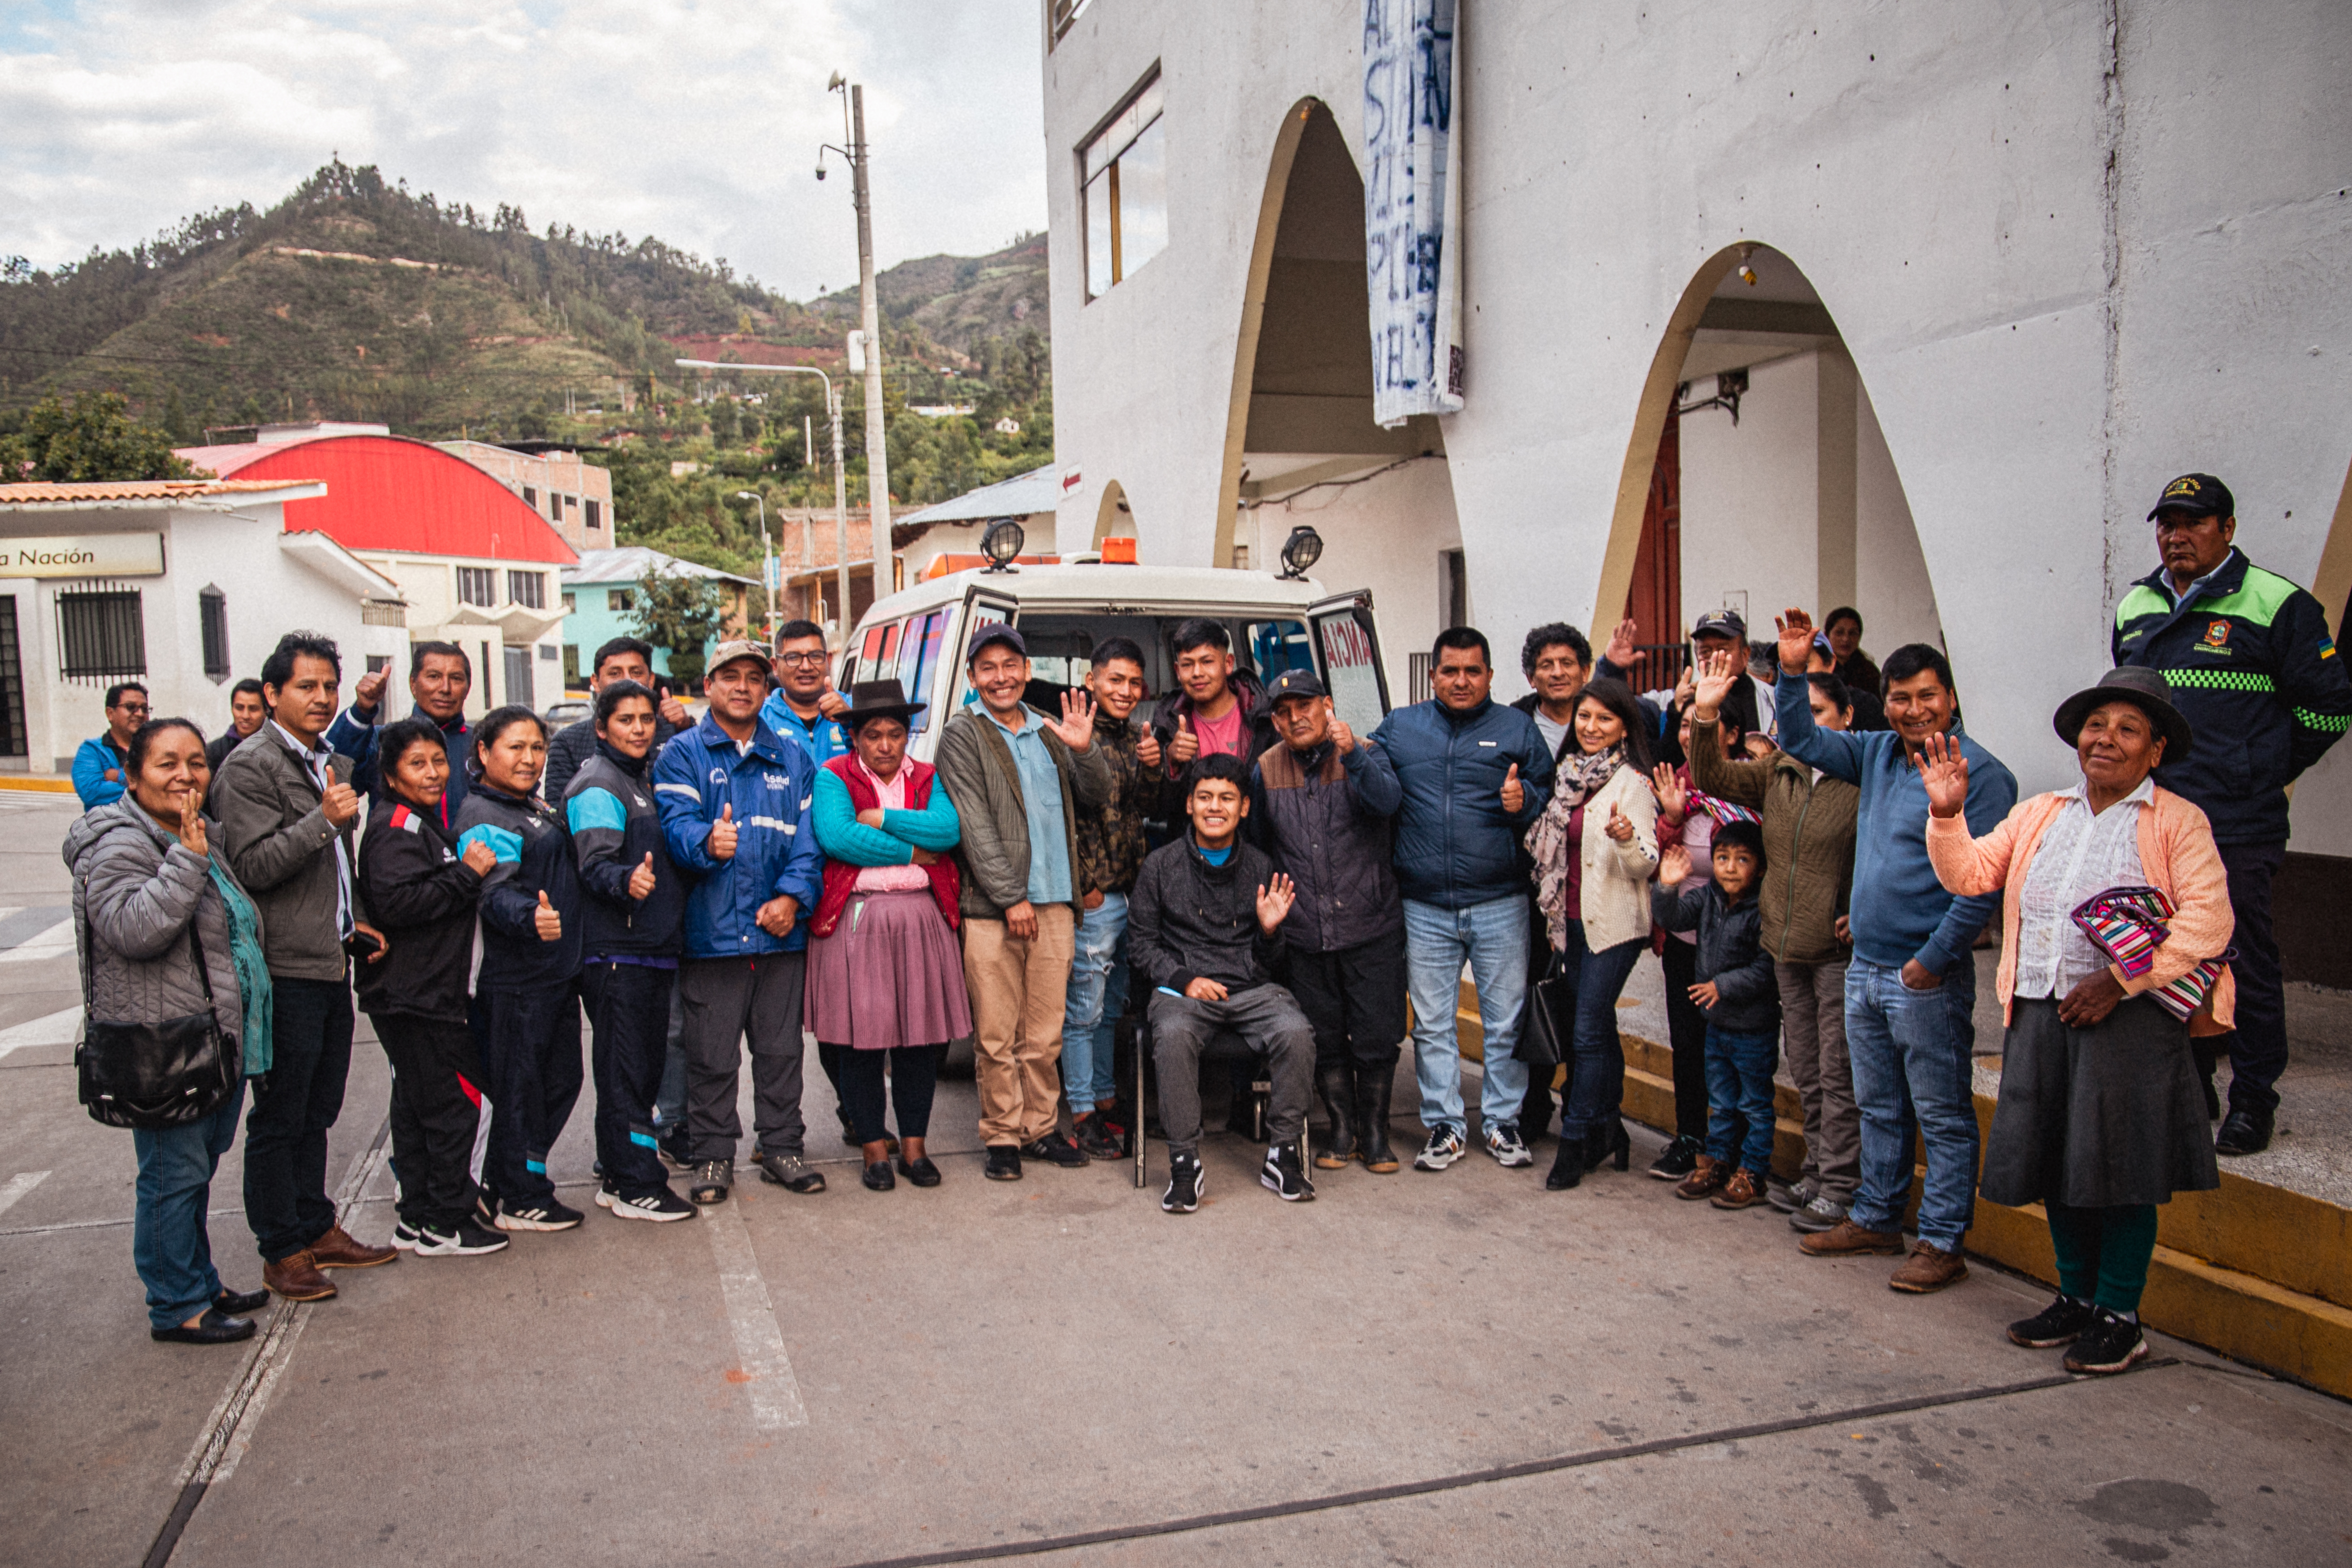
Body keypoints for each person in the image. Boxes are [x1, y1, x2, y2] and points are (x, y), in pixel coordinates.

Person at [1920, 667, 2228, 1374]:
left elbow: (2208, 922)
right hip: (2039, 1006)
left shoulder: (2177, 821)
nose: (2105, 739)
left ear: (2154, 751)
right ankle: (2075, 1297)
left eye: (2127, 729)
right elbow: (1969, 873)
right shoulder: (2040, 812)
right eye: (2096, 725)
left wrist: (2120, 980)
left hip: (2131, 1020)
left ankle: (2120, 1313)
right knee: (2057, 1155)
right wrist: (1945, 814)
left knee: (2120, 1165)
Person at [1773, 610, 2017, 1294]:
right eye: (1899, 697)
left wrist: (1932, 959)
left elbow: (1980, 883)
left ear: (1951, 697)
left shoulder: (1982, 774)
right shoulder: (1877, 752)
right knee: (1876, 1102)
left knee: (1939, 1112)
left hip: (1924, 974)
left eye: (1925, 696)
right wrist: (1794, 671)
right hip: (1864, 966)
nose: (1912, 710)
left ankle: (1941, 1241)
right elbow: (1796, 736)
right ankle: (1876, 1216)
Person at [2110, 472, 2352, 1155]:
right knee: (2166, 952)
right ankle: (2191, 1083)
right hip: (2154, 818)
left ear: (2226, 528)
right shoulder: (2136, 603)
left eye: (2191, 522)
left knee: (2239, 955)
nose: (2174, 535)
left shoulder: (2276, 603)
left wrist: (2262, 765)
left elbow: (2328, 707)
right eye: (2165, 523)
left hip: (2236, 820)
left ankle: (2251, 1098)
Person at [66, 717, 273, 1343]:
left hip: (209, 1040)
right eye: (165, 764)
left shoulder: (191, 830)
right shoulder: (121, 845)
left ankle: (198, 1278)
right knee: (169, 1177)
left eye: (195, 762)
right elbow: (133, 929)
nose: (185, 774)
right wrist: (186, 859)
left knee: (194, 1172)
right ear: (131, 775)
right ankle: (175, 1303)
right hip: (164, 1045)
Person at [213, 632, 397, 1302]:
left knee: (318, 1108)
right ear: (271, 694)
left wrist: (352, 923)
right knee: (282, 1115)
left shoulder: (327, 759)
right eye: (305, 687)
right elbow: (255, 866)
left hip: (326, 960)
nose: (320, 698)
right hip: (282, 968)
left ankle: (315, 1225)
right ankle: (280, 1248)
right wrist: (322, 820)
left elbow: (327, 872)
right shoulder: (250, 767)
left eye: (328, 686)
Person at [1686, 651, 1863, 1234]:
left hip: (1837, 950)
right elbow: (1713, 776)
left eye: (1817, 712)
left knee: (1837, 1073)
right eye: (1796, 714)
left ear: (1845, 715)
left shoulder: (1863, 775)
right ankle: (1814, 1169)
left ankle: (1839, 1184)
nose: (1804, 725)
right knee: (1807, 1069)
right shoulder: (1779, 769)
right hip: (1784, 944)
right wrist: (1706, 715)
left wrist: (1859, 908)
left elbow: (1888, 848)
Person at [1372, 627, 1555, 1173]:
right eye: (1449, 671)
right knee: (1431, 1023)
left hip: (1500, 900)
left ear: (1490, 676)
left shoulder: (1516, 728)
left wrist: (1525, 800)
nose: (1460, 681)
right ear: (1432, 676)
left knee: (1504, 1021)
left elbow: (1547, 794)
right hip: (1423, 904)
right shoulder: (1401, 728)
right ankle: (1445, 1126)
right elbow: (1370, 784)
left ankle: (1501, 1123)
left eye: (1472, 671)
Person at [934, 624, 1111, 1180]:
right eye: (986, 668)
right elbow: (973, 825)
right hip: (995, 910)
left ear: (1026, 670)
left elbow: (1096, 796)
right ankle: (1002, 1136)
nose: (1000, 677)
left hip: (1057, 903)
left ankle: (1039, 1128)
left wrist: (1084, 752)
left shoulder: (1050, 731)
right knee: (996, 1034)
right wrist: (1010, 896)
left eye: (1009, 665)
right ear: (971, 678)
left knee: (1044, 1034)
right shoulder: (962, 734)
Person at [653, 639, 827, 1204]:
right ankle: (711, 1158)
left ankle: (782, 1148)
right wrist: (707, 841)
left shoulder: (794, 758)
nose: (743, 686)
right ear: (707, 686)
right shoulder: (680, 754)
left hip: (780, 937)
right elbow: (677, 827)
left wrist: (791, 900)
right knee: (711, 1058)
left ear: (767, 687)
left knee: (781, 1054)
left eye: (754, 677)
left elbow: (811, 842)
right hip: (712, 938)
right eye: (730, 676)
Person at [1130, 753, 1316, 1211]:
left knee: (1296, 1033)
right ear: (1189, 805)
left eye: (1227, 799)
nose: (1216, 807)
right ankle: (1183, 1162)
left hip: (1251, 987)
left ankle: (1283, 1153)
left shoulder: (1260, 866)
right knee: (1171, 1035)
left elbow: (1272, 961)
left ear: (1244, 808)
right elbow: (1140, 945)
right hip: (1185, 991)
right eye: (1205, 797)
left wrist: (1271, 930)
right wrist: (1184, 979)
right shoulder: (1159, 866)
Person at [354, 718, 510, 1255]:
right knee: (459, 1107)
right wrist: (467, 874)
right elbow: (397, 903)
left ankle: (417, 1216)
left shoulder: (416, 821)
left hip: (422, 994)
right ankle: (448, 1221)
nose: (432, 773)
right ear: (391, 773)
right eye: (416, 764)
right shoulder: (396, 825)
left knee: (418, 1107)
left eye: (438, 761)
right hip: (417, 996)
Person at [806, 680, 968, 1191]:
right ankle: (874, 1147)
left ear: (907, 735)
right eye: (872, 734)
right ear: (854, 736)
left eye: (894, 734)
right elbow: (838, 837)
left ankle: (915, 1148)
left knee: (919, 1042)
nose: (883, 744)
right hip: (859, 920)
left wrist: (881, 817)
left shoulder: (927, 776)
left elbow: (946, 830)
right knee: (863, 1042)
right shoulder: (833, 777)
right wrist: (912, 851)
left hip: (921, 920)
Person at [544, 637, 695, 1162]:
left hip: (651, 944)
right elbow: (594, 862)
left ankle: (629, 1168)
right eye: (625, 720)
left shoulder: (645, 772)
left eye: (646, 719)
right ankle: (625, 1176)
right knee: (624, 1072)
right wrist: (623, 881)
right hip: (616, 949)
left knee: (644, 1066)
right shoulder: (597, 781)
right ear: (600, 728)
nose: (638, 728)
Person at [1249, 667, 1405, 1172]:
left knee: (1377, 1036)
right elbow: (1257, 847)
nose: (1296, 718)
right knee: (1324, 1035)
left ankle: (1376, 1135)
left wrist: (1354, 756)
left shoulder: (1364, 752)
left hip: (1369, 924)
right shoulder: (1266, 769)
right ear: (1275, 722)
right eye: (1284, 712)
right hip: (1305, 931)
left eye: (1305, 707)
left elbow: (1388, 803)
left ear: (1327, 705)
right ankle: (1341, 1131)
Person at [455, 706, 587, 1232]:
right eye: (516, 747)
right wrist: (530, 917)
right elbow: (493, 891)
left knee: (559, 1081)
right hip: (516, 983)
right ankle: (518, 1193)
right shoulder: (485, 816)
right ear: (484, 753)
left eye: (537, 748)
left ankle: (517, 1179)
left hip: (552, 976)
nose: (530, 758)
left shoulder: (524, 804)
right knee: (520, 1089)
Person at [1525, 678, 1658, 1188]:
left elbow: (1644, 865)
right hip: (1570, 924)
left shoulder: (1633, 784)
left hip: (1614, 928)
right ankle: (1610, 1129)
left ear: (1624, 726)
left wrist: (1625, 840)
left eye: (1604, 719)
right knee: (1596, 1031)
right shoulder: (1568, 775)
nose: (1591, 727)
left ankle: (1576, 1138)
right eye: (1584, 717)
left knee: (1585, 1033)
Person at [756, 620, 864, 1152]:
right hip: (778, 884)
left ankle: (856, 1113)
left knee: (839, 1012)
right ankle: (777, 1131)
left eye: (814, 656)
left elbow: (882, 777)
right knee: (774, 1025)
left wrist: (850, 724)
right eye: (793, 656)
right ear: (776, 665)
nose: (805, 665)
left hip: (845, 883)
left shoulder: (849, 716)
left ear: (829, 661)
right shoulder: (758, 717)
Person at [1063, 637, 1167, 1160]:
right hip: (1096, 899)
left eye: (1133, 683)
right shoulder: (1071, 737)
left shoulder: (1132, 737)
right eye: (1114, 681)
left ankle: (1104, 1100)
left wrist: (1152, 766)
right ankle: (1081, 1112)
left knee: (1110, 1009)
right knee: (1084, 1009)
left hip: (1131, 893)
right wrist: (1086, 887)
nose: (1125, 691)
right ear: (1091, 681)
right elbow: (1060, 819)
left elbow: (1145, 807)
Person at [1642, 693, 1750, 1180]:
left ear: (1730, 733)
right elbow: (1655, 858)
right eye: (1683, 726)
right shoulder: (1676, 786)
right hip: (1684, 939)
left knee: (1739, 1050)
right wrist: (1671, 817)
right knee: (1687, 1045)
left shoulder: (1751, 784)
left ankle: (1740, 1151)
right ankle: (1691, 1139)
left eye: (1701, 726)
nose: (1689, 735)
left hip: (1740, 943)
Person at [1653, 818, 1781, 1209]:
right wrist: (1667, 887)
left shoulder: (1763, 909)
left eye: (1741, 859)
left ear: (1759, 867)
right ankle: (1718, 1162)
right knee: (1722, 1101)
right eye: (1722, 857)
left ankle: (1753, 1173)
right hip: (1717, 1027)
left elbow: (1765, 969)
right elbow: (1672, 918)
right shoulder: (1708, 896)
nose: (1728, 867)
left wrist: (1721, 986)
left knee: (1754, 1104)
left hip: (1752, 1028)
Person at [1508, 623, 1595, 1140]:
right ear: (1530, 675)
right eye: (1546, 664)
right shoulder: (1514, 724)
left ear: (1583, 671)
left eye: (1566, 663)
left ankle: (1586, 1110)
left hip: (1590, 889)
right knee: (1534, 992)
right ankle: (1534, 1101)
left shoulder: (1603, 721)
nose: (1557, 672)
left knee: (1587, 1001)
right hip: (1528, 886)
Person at [329, 642, 477, 830]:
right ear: (413, 684)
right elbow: (333, 773)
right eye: (434, 677)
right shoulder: (383, 741)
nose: (445, 688)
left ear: (468, 687)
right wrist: (362, 710)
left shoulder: (483, 746)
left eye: (456, 679)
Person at [544, 636, 693, 799]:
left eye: (636, 673)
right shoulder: (568, 743)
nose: (627, 680)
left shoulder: (673, 731)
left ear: (651, 680)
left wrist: (686, 728)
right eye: (615, 673)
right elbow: (558, 812)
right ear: (595, 681)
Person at [1600, 609, 1772, 749]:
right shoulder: (1674, 701)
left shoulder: (1772, 700)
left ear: (1746, 654)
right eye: (1705, 652)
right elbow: (1613, 709)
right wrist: (1611, 669)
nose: (1714, 658)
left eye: (1723, 650)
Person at [1148, 618, 1277, 777]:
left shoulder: (1265, 717)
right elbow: (1155, 799)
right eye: (1187, 665)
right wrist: (1170, 761)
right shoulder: (1168, 726)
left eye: (1207, 662)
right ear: (1178, 671)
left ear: (1229, 663)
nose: (1197, 673)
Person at [73, 681, 148, 808]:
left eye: (145, 709)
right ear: (110, 714)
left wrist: (118, 776)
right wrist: (147, 789)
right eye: (131, 707)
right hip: (112, 826)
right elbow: (92, 793)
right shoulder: (92, 751)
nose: (140, 714)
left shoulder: (158, 747)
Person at [204, 679, 267, 776]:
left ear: (266, 711)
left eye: (253, 709)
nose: (246, 716)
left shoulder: (277, 748)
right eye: (239, 708)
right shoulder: (213, 752)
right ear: (232, 708)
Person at [1822, 607, 1881, 703]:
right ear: (1827, 635)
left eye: (1853, 633)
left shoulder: (1869, 673)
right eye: (1839, 633)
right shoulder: (1818, 668)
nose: (1846, 639)